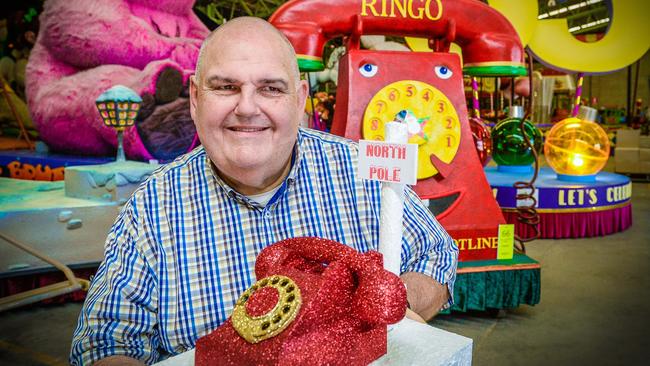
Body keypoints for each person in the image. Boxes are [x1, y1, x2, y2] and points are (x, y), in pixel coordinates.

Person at [70, 17, 458, 365]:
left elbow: (436, 252)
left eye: (271, 88)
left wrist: (391, 303)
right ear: (194, 99)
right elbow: (104, 342)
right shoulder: (152, 206)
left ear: (301, 99)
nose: (247, 107)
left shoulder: (362, 172)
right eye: (226, 87)